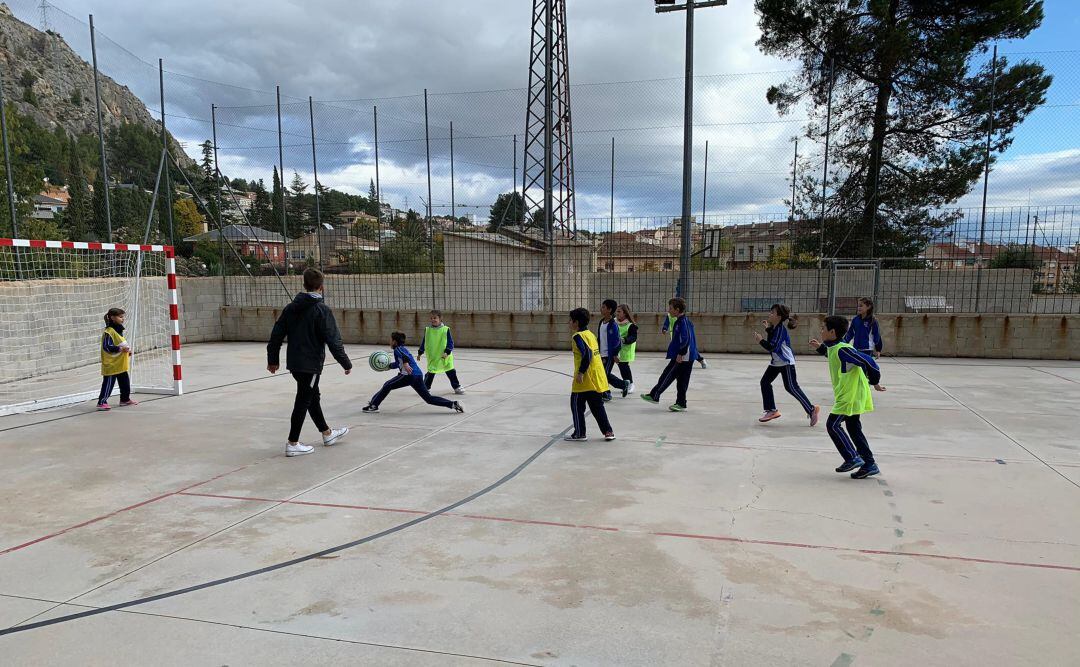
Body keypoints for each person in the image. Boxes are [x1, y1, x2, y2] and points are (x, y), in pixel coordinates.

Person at [267, 268, 352, 458]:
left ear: (304, 285)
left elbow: (276, 335)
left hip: (295, 364)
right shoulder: (321, 310)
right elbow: (333, 340)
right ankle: (292, 443)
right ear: (321, 287)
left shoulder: (290, 308)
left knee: (312, 396)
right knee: (304, 400)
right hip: (310, 364)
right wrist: (345, 363)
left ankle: (327, 433)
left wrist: (272, 359)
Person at [810, 316, 887, 479]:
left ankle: (852, 457)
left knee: (832, 425)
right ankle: (869, 464)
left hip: (849, 395)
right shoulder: (834, 347)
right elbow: (834, 356)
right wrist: (820, 348)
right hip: (848, 394)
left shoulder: (843, 349)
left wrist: (875, 381)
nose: (821, 330)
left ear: (832, 332)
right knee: (853, 428)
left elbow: (869, 362)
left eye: (823, 328)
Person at [363, 331, 464, 414]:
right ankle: (453, 404)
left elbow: (405, 358)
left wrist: (406, 364)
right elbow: (399, 363)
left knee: (387, 385)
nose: (389, 342)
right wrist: (388, 366)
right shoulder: (403, 349)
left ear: (395, 342)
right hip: (417, 375)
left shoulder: (398, 349)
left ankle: (374, 405)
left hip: (409, 375)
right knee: (428, 398)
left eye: (390, 340)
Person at [754, 304, 820, 426]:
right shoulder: (774, 328)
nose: (770, 314)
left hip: (785, 362)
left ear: (779, 317)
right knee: (765, 382)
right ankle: (771, 410)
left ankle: (811, 409)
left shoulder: (780, 330)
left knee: (791, 387)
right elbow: (772, 339)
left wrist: (760, 341)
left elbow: (773, 347)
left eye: (772, 313)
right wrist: (768, 329)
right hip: (776, 362)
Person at [566, 308, 615, 442]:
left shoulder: (577, 336)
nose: (569, 323)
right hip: (596, 376)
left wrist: (581, 372)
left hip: (585, 378)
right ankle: (608, 431)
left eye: (570, 320)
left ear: (576, 322)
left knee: (576, 404)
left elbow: (586, 354)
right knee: (597, 406)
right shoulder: (590, 334)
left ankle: (580, 433)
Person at [642, 297, 697, 412]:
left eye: (670, 308)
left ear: (677, 310)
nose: (669, 310)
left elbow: (686, 339)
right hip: (684, 356)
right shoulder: (681, 321)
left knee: (668, 375)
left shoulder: (683, 322)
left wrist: (681, 354)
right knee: (681, 381)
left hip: (683, 357)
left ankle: (655, 395)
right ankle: (681, 403)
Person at [96, 308, 136, 411]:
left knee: (125, 383)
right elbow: (107, 346)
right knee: (108, 384)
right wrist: (120, 349)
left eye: (123, 317)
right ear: (113, 318)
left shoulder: (118, 330)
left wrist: (127, 351)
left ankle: (124, 399)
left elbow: (120, 342)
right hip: (111, 364)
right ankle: (102, 402)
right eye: (120, 317)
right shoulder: (108, 332)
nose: (123, 319)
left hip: (119, 363)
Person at [419, 310, 465, 395]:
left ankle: (457, 387)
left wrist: (447, 352)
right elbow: (424, 341)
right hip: (433, 356)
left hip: (445, 356)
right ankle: (426, 387)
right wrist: (420, 351)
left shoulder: (445, 330)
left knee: (450, 371)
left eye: (435, 318)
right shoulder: (428, 330)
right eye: (431, 318)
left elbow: (450, 343)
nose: (433, 320)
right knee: (431, 372)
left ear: (440, 319)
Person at [596, 299, 629, 401]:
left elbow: (616, 341)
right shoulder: (601, 322)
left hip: (609, 355)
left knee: (603, 375)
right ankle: (623, 384)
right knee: (605, 374)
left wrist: (615, 354)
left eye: (603, 307)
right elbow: (600, 338)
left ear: (609, 310)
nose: (601, 309)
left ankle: (606, 394)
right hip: (601, 354)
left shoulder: (613, 324)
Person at [614, 303, 638, 393]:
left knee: (624, 368)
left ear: (625, 313)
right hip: (614, 349)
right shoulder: (614, 322)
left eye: (619, 311)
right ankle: (624, 383)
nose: (617, 313)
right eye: (617, 311)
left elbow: (633, 337)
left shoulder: (631, 325)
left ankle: (630, 384)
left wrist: (624, 340)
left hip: (624, 350)